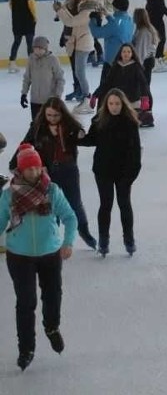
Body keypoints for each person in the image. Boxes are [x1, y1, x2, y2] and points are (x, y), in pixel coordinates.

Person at [0, 143, 77, 371]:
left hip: (50, 253)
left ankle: (52, 327)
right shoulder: (9, 195)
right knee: (26, 302)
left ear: (41, 168)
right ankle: (26, 348)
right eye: (28, 169)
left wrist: (68, 242)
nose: (33, 172)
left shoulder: (51, 190)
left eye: (36, 168)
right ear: (20, 170)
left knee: (52, 295)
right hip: (19, 255)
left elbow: (70, 217)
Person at [11, 98, 96, 250]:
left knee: (75, 203)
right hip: (47, 172)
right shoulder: (37, 128)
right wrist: (14, 163)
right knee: (51, 205)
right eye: (49, 115)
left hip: (68, 169)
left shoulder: (70, 127)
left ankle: (84, 231)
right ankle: (53, 237)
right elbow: (25, 145)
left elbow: (85, 138)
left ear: (62, 114)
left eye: (56, 115)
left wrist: (80, 134)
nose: (52, 118)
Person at [79, 89, 142, 257]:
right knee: (105, 205)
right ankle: (103, 240)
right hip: (103, 170)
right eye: (111, 104)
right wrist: (77, 137)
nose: (114, 107)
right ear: (106, 105)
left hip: (124, 172)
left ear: (123, 104)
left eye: (117, 104)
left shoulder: (130, 123)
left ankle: (129, 239)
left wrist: (131, 174)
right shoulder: (100, 121)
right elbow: (91, 140)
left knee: (124, 204)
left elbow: (136, 151)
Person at [54, 0, 100, 114]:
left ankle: (87, 97)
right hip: (80, 42)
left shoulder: (87, 11)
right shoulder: (85, 9)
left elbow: (71, 22)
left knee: (80, 72)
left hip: (83, 43)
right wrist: (62, 10)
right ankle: (85, 96)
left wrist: (60, 10)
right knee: (79, 72)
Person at [90, 0, 134, 83]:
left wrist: (93, 20)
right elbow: (117, 25)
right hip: (125, 59)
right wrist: (107, 15)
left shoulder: (115, 23)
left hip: (112, 61)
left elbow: (97, 33)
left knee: (106, 89)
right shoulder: (129, 20)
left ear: (116, 8)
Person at [93, 44, 150, 111]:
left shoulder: (136, 67)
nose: (126, 54)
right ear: (120, 53)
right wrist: (95, 95)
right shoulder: (116, 66)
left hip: (133, 102)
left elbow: (143, 83)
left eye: (129, 52)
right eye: (124, 51)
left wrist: (145, 98)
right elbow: (107, 83)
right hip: (118, 101)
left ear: (132, 54)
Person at [20, 36, 64, 121]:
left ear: (45, 48)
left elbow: (60, 79)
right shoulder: (31, 59)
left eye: (40, 48)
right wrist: (24, 94)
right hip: (35, 100)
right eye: (35, 48)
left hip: (49, 100)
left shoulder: (53, 60)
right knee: (36, 124)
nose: (38, 50)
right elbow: (27, 78)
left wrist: (57, 96)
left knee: (48, 124)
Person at [132, 8, 159, 126]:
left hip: (145, 62)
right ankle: (146, 114)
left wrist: (137, 66)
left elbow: (140, 51)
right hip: (147, 61)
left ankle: (147, 115)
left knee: (144, 89)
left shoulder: (143, 32)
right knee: (145, 88)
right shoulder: (147, 29)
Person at [8, 0, 36, 74]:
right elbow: (32, 6)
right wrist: (34, 18)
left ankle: (12, 63)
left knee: (16, 42)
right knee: (29, 43)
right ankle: (32, 65)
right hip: (28, 21)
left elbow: (11, 6)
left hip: (16, 21)